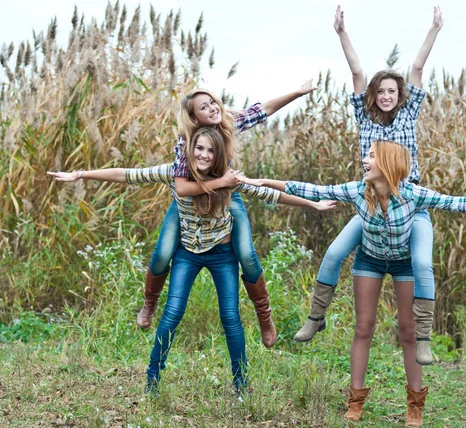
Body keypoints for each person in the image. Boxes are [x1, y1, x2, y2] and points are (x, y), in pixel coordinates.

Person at [235, 140, 466, 425]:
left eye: (371, 156)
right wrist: (261, 181)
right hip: (369, 259)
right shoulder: (358, 190)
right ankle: (355, 401)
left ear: (388, 164)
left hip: (404, 263)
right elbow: (313, 189)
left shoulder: (412, 194)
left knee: (409, 333)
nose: (364, 160)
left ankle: (415, 406)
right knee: (363, 327)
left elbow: (460, 203)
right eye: (367, 155)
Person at [48, 127, 335, 394]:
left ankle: (241, 385)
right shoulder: (176, 174)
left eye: (210, 151)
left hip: (223, 256)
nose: (204, 155)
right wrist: (80, 175)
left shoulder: (228, 180)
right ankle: (152, 380)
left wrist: (313, 204)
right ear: (190, 149)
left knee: (230, 317)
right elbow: (128, 174)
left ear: (218, 155)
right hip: (187, 253)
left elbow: (271, 195)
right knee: (172, 313)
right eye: (199, 148)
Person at [295, 5, 444, 368]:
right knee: (333, 254)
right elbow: (357, 71)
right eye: (381, 91)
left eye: (392, 91)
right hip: (371, 202)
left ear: (400, 94)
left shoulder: (409, 115)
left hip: (410, 203)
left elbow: (418, 68)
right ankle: (316, 318)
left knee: (422, 263)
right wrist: (341, 33)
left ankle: (423, 338)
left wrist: (434, 30)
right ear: (374, 95)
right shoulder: (364, 117)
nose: (386, 95)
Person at [137, 82, 317, 351]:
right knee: (163, 252)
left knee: (245, 251)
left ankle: (264, 316)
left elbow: (264, 109)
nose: (212, 109)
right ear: (194, 118)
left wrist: (298, 93)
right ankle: (149, 303)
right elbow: (183, 188)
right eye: (203, 107)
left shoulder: (228, 123)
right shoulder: (186, 144)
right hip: (189, 198)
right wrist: (219, 182)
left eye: (212, 103)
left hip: (226, 194)